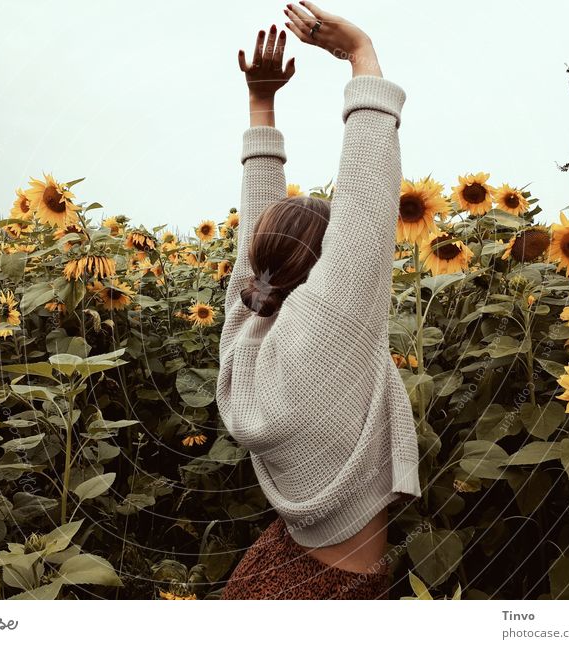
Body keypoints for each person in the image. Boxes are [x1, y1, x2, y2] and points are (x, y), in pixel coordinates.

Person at [216, 1, 421, 599]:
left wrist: (262, 103)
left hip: (271, 567)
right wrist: (362, 55)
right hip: (332, 592)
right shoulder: (327, 333)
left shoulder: (245, 336)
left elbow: (255, 250)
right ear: (328, 266)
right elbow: (366, 200)